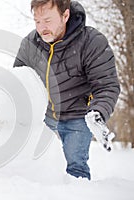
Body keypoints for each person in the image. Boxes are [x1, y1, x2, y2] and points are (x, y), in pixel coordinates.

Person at [14, 0, 120, 180]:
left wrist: (98, 112)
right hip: (44, 118)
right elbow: (19, 79)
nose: (42, 28)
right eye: (37, 21)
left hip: (77, 117)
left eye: (47, 20)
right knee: (37, 169)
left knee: (75, 169)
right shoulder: (30, 44)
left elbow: (106, 84)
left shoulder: (91, 41)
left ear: (65, 15)